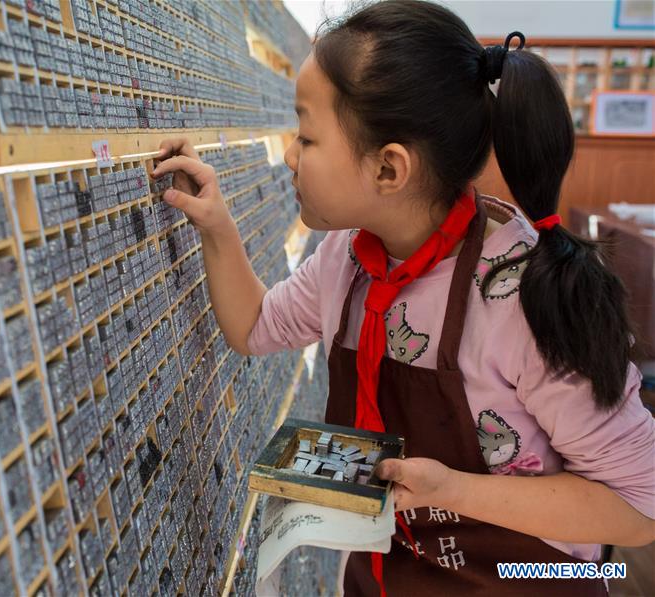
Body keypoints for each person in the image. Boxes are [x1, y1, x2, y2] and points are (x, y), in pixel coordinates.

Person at [148, 0, 655, 594]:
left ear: (389, 170)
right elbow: (255, 325)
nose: (289, 155)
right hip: (390, 574)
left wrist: (456, 491)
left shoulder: (521, 298)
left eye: (307, 136)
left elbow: (637, 505)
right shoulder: (347, 258)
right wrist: (216, 227)